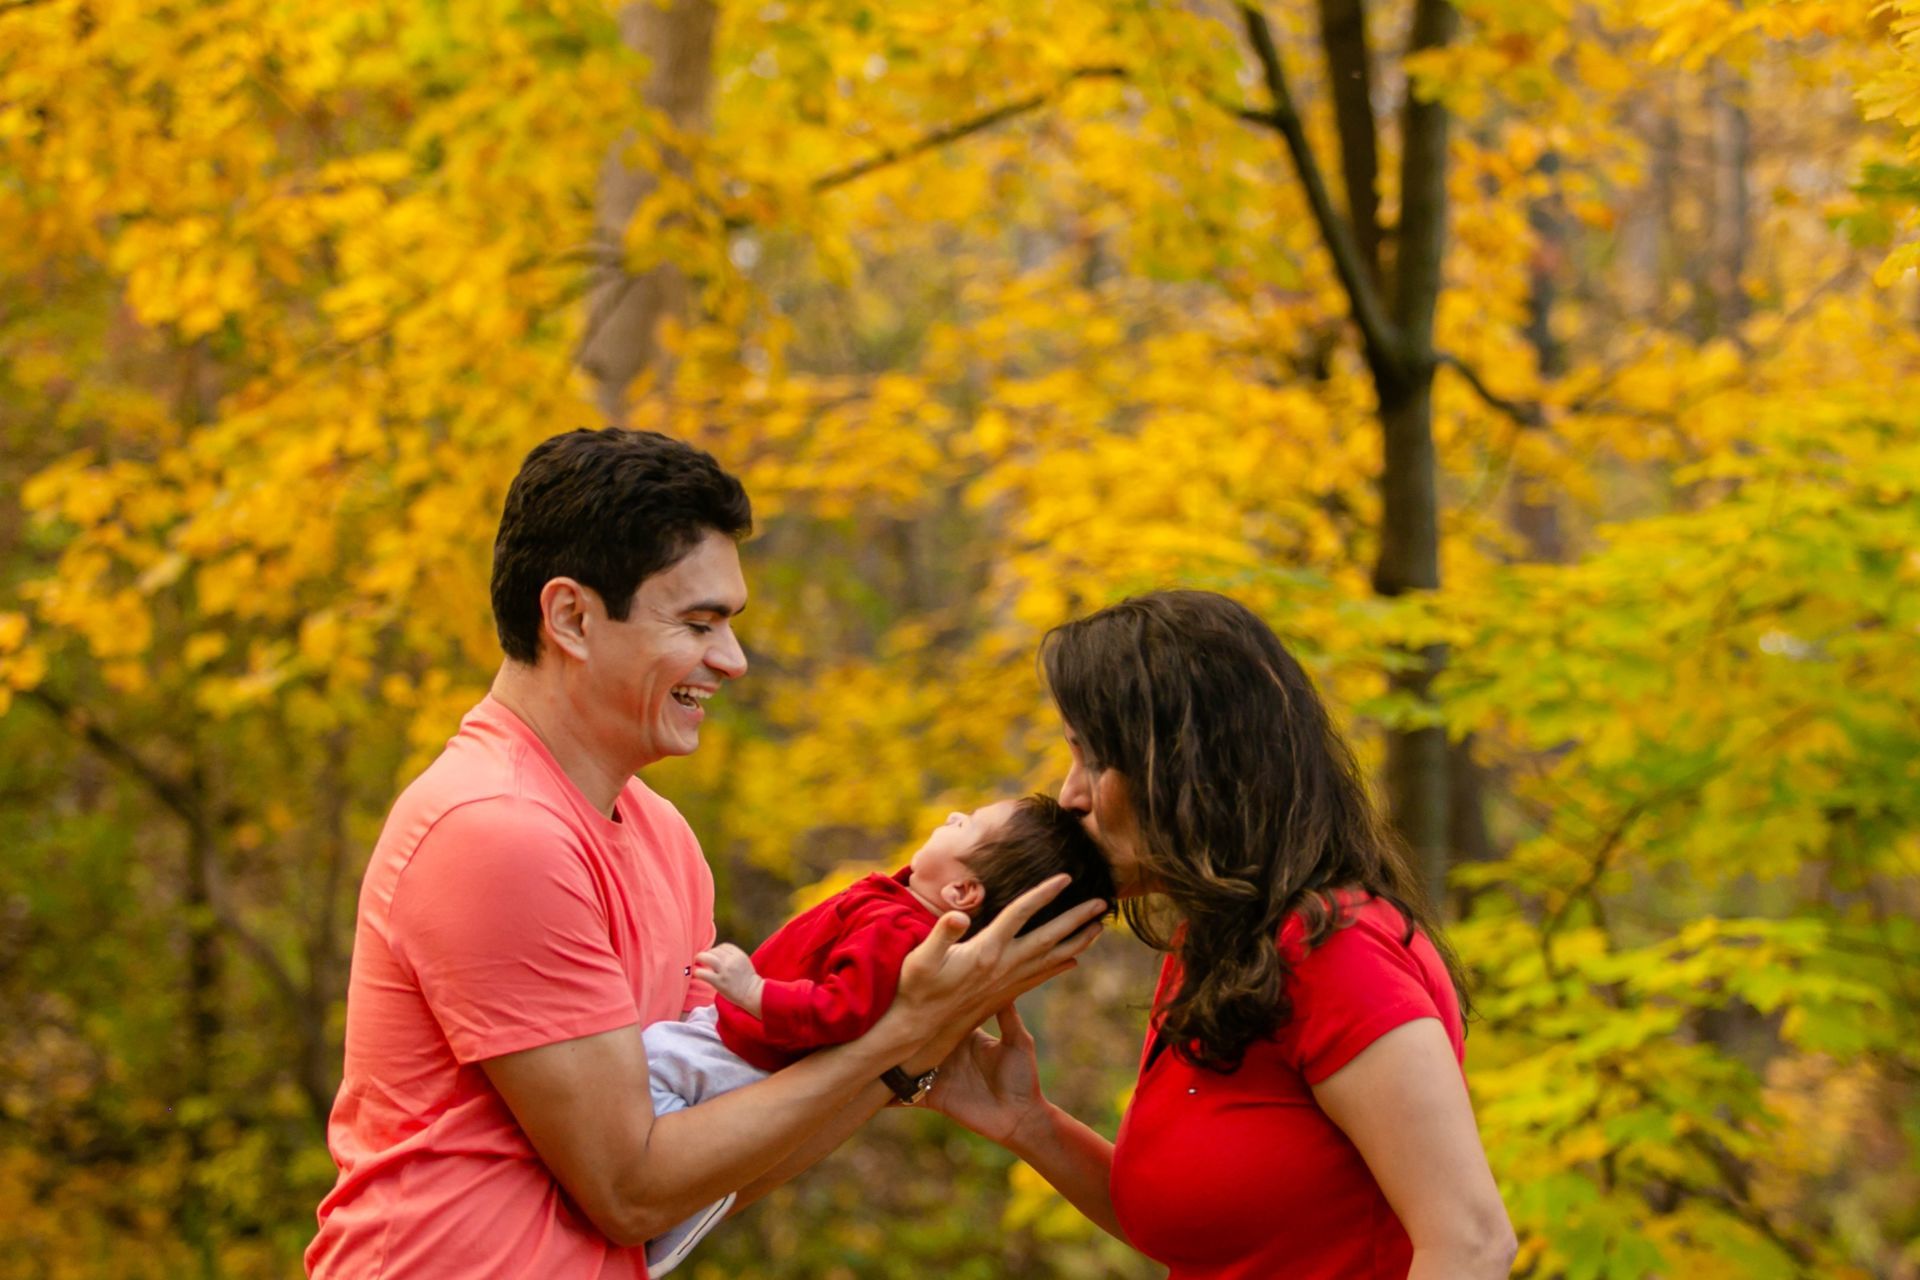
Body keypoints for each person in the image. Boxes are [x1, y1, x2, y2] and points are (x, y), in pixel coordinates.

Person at [306, 428, 1106, 1279]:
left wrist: (920, 1040)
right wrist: (901, 1034)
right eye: (698, 623)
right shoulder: (496, 830)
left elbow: (718, 1158)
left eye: (729, 624)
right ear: (571, 617)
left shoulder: (664, 840)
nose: (732, 659)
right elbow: (630, 1189)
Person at [931, 590, 1517, 1280]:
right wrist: (1027, 1123)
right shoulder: (1222, 948)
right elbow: (1225, 1244)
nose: (1070, 796)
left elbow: (1471, 1243)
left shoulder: (1334, 948)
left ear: (1186, 765)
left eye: (1092, 758)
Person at [640, 793, 1113, 1272]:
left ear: (963, 893)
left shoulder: (899, 930)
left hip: (747, 1053)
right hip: (742, 1037)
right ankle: (676, 1207)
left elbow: (840, 1011)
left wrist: (754, 991)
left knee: (648, 1074)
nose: (952, 816)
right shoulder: (898, 906)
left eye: (966, 824)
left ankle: (674, 1214)